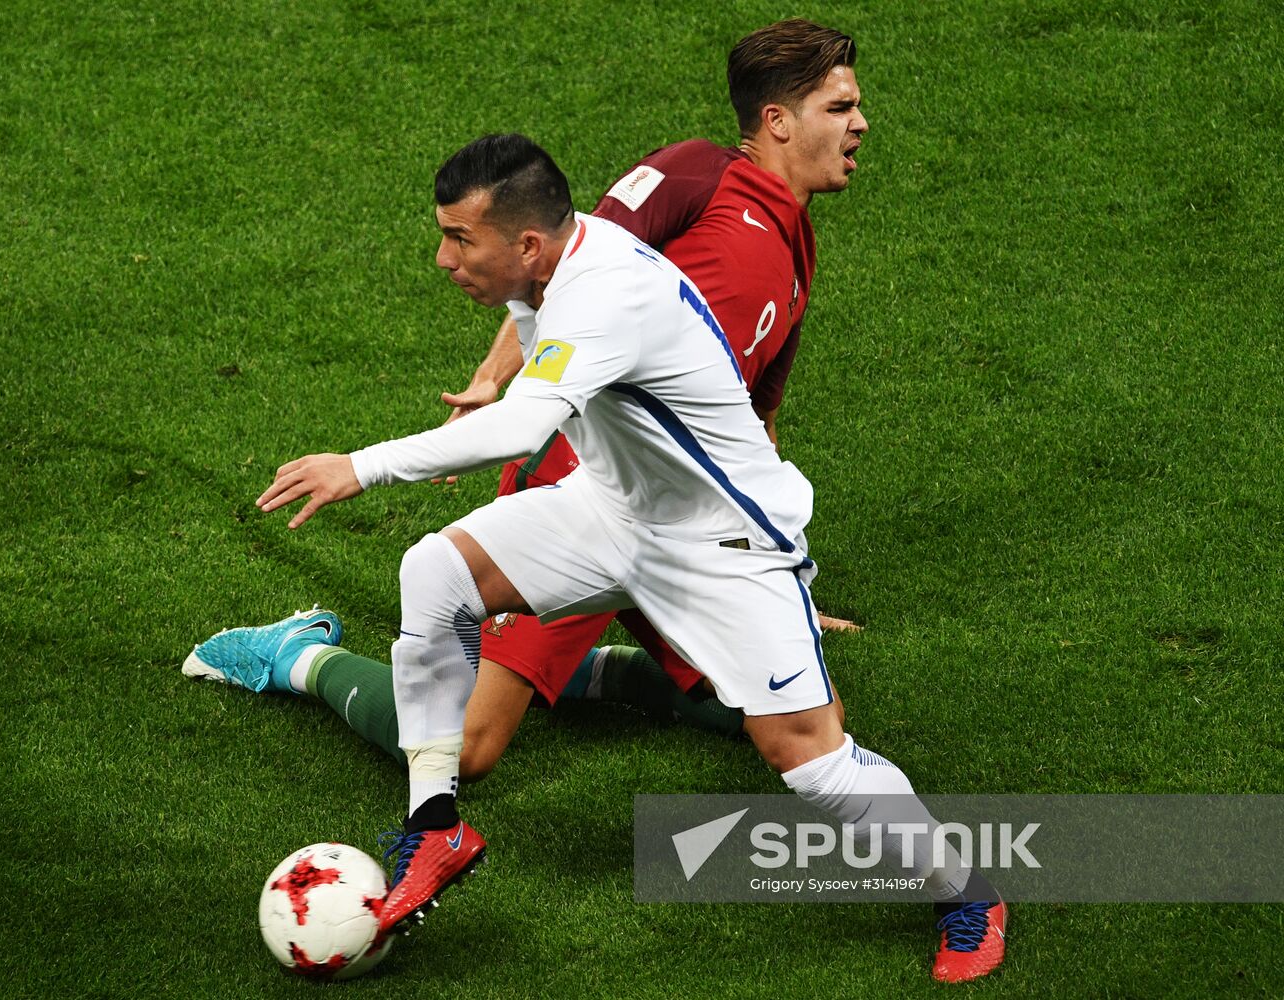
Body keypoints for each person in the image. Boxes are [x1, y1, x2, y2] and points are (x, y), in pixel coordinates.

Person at [236, 132, 1007, 983]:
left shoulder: (605, 294)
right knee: (434, 571)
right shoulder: (552, 267)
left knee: (812, 762)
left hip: (724, 546)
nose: (442, 257)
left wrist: (360, 465)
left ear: (526, 245)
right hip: (610, 510)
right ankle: (435, 824)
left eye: (460, 239)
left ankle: (968, 891)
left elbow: (525, 427)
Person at [186, 19, 866, 779]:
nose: (860, 124)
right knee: (466, 751)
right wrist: (492, 378)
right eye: (840, 108)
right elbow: (548, 260)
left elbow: (755, 420)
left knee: (787, 722)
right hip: (577, 482)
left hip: (685, 523)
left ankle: (577, 662)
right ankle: (299, 655)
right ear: (778, 119)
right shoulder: (692, 175)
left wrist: (780, 576)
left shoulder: (798, 250)